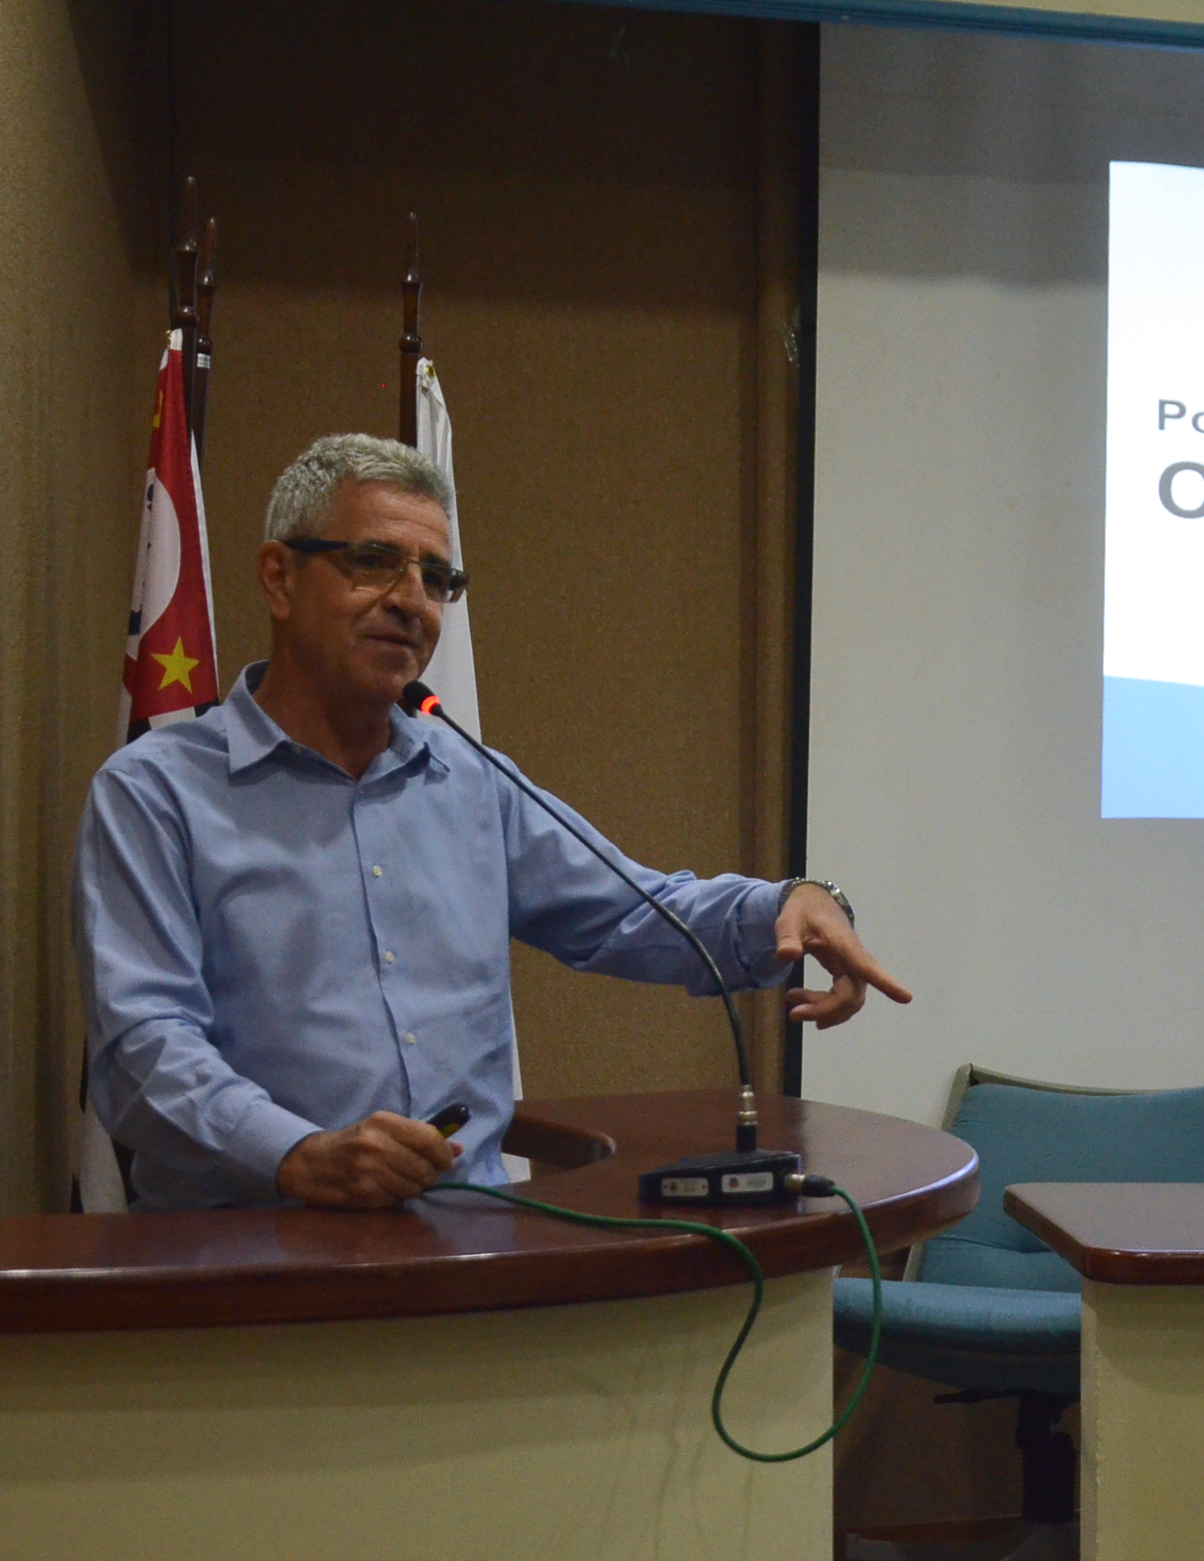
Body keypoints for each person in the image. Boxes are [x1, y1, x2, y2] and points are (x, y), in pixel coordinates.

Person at [74, 434, 909, 1210]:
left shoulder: (467, 781)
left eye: (436, 579)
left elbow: (632, 911)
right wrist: (297, 1152)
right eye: (374, 563)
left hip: (466, 1250)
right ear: (279, 578)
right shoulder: (157, 794)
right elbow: (142, 1047)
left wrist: (789, 905)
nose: (411, 602)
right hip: (246, 1262)